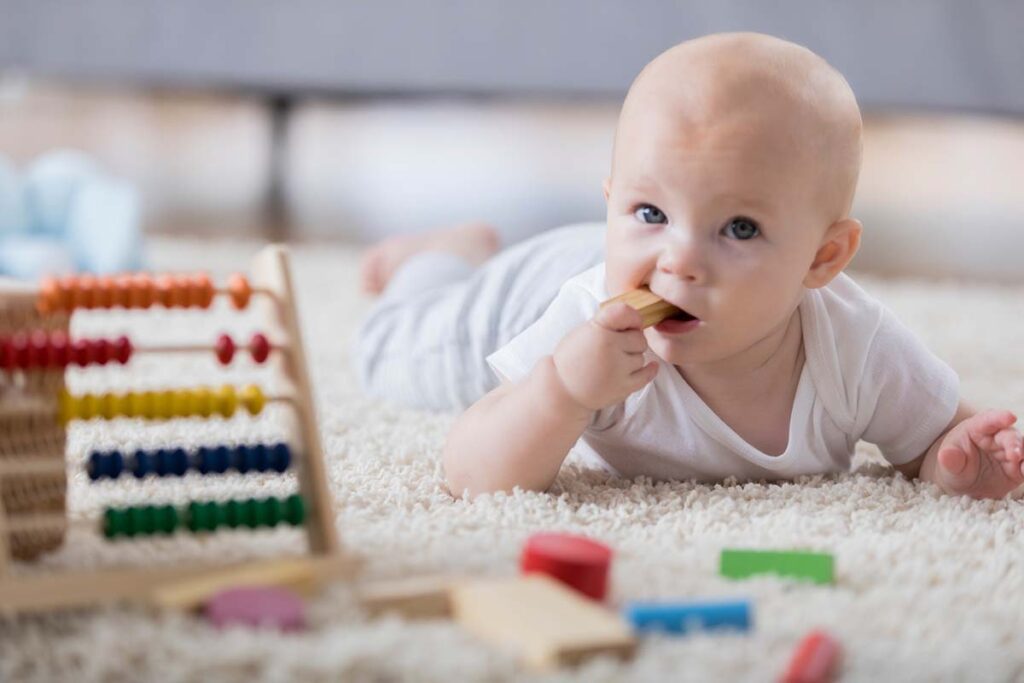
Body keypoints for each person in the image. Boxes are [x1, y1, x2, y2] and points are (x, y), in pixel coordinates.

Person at [353, 32, 1024, 501]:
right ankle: (439, 256)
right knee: (390, 352)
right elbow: (469, 474)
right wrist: (559, 390)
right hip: (526, 292)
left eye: (738, 228)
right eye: (649, 212)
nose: (681, 260)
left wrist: (959, 464)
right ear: (614, 201)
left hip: (602, 260)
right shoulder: (583, 324)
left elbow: (934, 439)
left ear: (823, 258)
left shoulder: (854, 346)